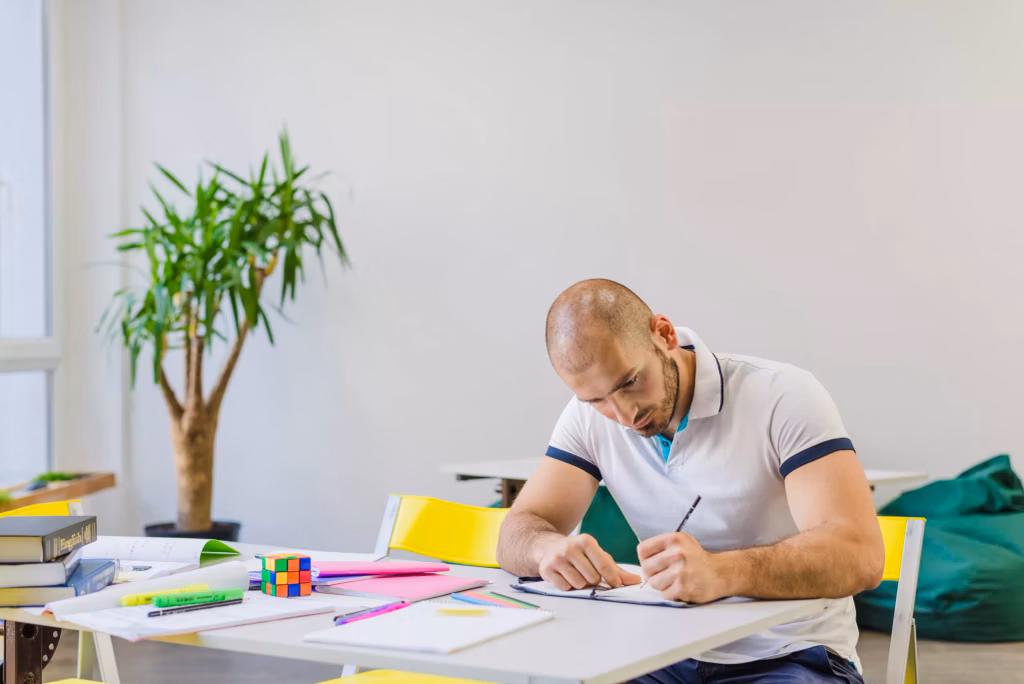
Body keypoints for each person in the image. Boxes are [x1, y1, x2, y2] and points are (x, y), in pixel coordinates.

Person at [496, 279, 884, 683]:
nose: (624, 415)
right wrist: (547, 549)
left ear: (664, 335)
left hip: (788, 653)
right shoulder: (586, 417)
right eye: (596, 400)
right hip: (658, 652)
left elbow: (860, 555)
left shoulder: (783, 395)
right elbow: (517, 531)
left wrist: (722, 572)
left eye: (630, 382)